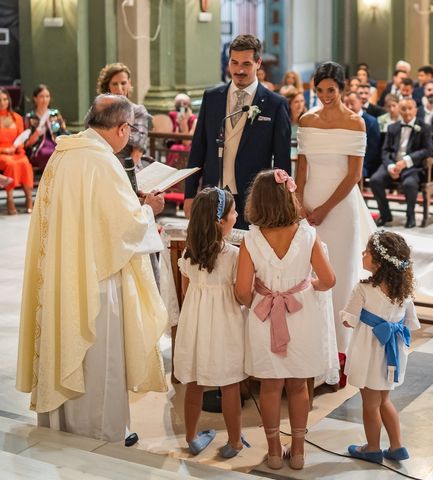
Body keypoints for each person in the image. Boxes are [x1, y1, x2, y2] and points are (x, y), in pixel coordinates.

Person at [16, 94, 168, 443]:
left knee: (63, 342)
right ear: (122, 128)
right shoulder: (102, 161)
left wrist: (136, 207)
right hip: (96, 281)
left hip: (61, 274)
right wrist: (150, 210)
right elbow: (124, 229)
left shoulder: (64, 153)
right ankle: (102, 434)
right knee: (99, 362)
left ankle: (62, 429)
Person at [235, 169, 337, 470]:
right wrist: (307, 288)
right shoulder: (307, 235)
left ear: (258, 203)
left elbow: (242, 292)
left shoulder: (250, 240)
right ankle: (300, 450)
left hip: (265, 317)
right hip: (301, 314)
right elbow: (329, 279)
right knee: (297, 385)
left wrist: (257, 296)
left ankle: (275, 451)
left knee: (269, 386)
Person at [296, 61, 376, 375]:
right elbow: (301, 167)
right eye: (320, 90)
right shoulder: (306, 120)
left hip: (341, 208)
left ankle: (341, 351)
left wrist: (326, 208)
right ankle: (312, 342)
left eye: (331, 90)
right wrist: (299, 203)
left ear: (342, 89)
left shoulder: (355, 123)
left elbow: (354, 175)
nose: (326, 95)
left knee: (339, 275)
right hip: (308, 203)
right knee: (307, 274)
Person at [185, 34, 291, 228]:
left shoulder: (276, 105)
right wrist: (190, 194)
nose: (239, 70)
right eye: (234, 63)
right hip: (212, 194)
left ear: (258, 63)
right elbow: (198, 148)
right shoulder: (212, 97)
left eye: (246, 64)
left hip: (254, 199)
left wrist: (279, 202)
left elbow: (282, 161)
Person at [175, 187, 249, 457]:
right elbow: (240, 294)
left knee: (193, 382)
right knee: (229, 384)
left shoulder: (188, 254)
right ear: (220, 221)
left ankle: (192, 437)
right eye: (233, 212)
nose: (237, 215)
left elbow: (185, 292)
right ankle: (235, 441)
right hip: (225, 325)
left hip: (195, 325)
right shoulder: (234, 255)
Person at [342, 231, 419, 463]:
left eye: (367, 252)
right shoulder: (403, 293)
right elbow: (410, 323)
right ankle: (396, 446)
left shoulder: (364, 289)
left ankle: (372, 448)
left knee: (370, 404)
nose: (363, 254)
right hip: (391, 357)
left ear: (379, 262)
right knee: (384, 400)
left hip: (369, 354)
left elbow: (349, 319)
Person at [371, 97, 433, 229]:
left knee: (409, 184)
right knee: (375, 180)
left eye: (410, 108)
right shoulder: (393, 127)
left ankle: (410, 216)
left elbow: (427, 150)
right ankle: (385, 213)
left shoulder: (424, 128)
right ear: (399, 110)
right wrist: (391, 166)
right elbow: (385, 150)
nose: (407, 112)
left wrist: (406, 161)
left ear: (416, 110)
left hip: (412, 166)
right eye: (403, 109)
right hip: (393, 164)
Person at [97, 62, 152, 168]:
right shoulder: (99, 111)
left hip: (128, 169)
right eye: (114, 84)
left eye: (123, 83)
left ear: (129, 83)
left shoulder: (138, 111)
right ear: (108, 85)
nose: (119, 88)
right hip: (102, 167)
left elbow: (137, 153)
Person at [0, 88, 34, 215]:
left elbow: (21, 139)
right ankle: (10, 199)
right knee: (11, 164)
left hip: (16, 151)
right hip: (2, 154)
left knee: (25, 163)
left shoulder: (17, 118)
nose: (2, 102)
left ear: (8, 100)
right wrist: (5, 150)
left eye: (4, 99)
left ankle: (29, 199)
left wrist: (15, 148)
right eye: (0, 100)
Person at [24, 84, 69, 170]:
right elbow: (27, 143)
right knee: (48, 154)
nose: (45, 100)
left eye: (47, 96)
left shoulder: (54, 114)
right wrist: (36, 134)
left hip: (55, 143)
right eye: (41, 97)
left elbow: (63, 131)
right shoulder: (30, 117)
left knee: (62, 153)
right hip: (38, 147)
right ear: (35, 98)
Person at [344, 90, 381, 177]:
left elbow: (373, 149)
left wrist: (359, 163)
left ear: (360, 102)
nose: (349, 107)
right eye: (346, 104)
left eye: (352, 103)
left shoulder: (371, 121)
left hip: (364, 163)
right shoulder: (342, 121)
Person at [285, 89, 306, 160]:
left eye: (302, 101)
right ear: (289, 103)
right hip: (286, 157)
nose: (300, 105)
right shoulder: (283, 121)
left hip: (301, 158)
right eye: (296, 102)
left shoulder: (307, 121)